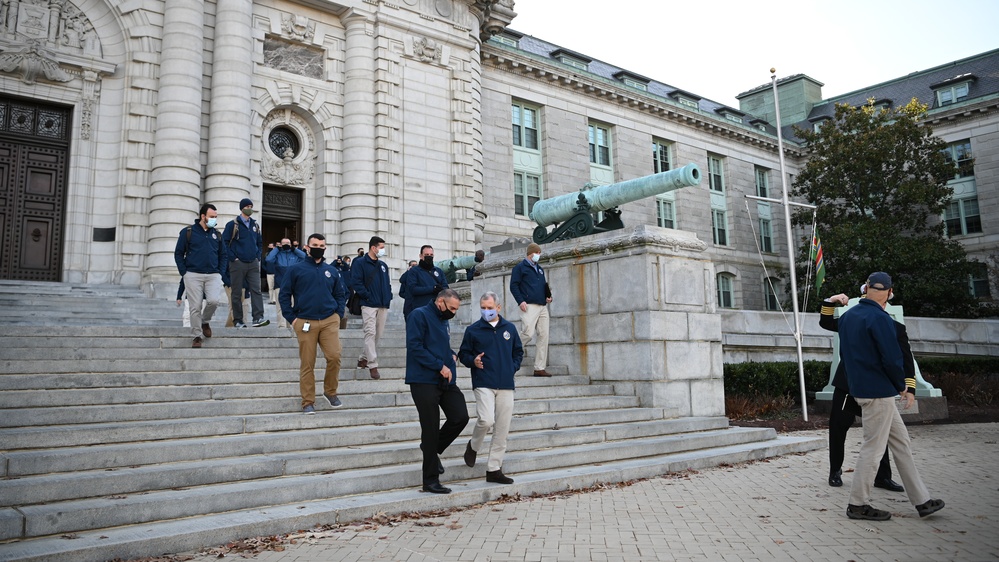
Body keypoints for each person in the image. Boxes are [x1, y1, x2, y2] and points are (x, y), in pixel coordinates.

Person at [839, 272, 945, 521]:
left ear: (865, 289)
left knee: (901, 443)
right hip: (878, 393)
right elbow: (892, 357)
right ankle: (857, 504)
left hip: (864, 389)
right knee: (873, 449)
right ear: (889, 291)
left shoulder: (848, 316)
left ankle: (922, 500)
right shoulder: (880, 318)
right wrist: (903, 386)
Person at [820, 292, 906, 492]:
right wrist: (831, 301)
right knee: (838, 428)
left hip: (874, 388)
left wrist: (903, 385)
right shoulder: (852, 320)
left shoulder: (892, 326)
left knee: (879, 431)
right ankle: (835, 471)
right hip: (848, 385)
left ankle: (883, 477)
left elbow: (901, 359)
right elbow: (826, 323)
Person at [406, 288, 469, 494]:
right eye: (452, 308)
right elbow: (415, 346)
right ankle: (430, 481)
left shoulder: (443, 318)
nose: (454, 313)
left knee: (460, 416)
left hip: (445, 381)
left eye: (456, 309)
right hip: (423, 381)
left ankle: (430, 449)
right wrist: (438, 365)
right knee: (430, 429)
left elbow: (438, 345)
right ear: (440, 301)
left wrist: (450, 354)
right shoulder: (419, 315)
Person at [459, 291, 523, 485]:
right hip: (483, 381)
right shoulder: (473, 330)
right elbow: (463, 354)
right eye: (483, 308)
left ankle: (494, 469)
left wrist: (512, 367)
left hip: (505, 383)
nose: (486, 311)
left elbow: (518, 352)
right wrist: (473, 361)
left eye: (489, 308)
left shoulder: (509, 329)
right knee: (486, 420)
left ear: (498, 307)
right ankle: (473, 446)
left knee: (502, 427)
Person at [279, 233, 348, 414]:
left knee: (334, 356)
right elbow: (284, 295)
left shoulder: (332, 271)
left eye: (322, 245)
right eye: (315, 244)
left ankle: (330, 392)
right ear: (307, 247)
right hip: (305, 321)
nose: (319, 247)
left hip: (328, 321)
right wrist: (292, 319)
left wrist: (338, 315)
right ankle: (308, 401)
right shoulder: (295, 270)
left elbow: (340, 294)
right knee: (307, 363)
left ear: (325, 247)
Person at [174, 203, 225, 348]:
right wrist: (184, 272)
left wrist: (220, 272)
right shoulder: (188, 232)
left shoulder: (217, 234)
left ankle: (205, 321)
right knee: (195, 306)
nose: (214, 219)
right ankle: (197, 336)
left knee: (214, 301)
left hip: (213, 275)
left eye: (216, 217)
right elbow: (178, 253)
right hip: (193, 274)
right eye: (212, 217)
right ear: (203, 216)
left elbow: (223, 255)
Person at [350, 236, 392, 380]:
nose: (383, 250)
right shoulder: (360, 263)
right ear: (373, 248)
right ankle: (372, 365)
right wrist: (366, 296)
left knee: (377, 335)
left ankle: (363, 357)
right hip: (368, 304)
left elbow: (387, 284)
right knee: (370, 332)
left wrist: (388, 296)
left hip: (382, 304)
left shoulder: (383, 266)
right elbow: (355, 282)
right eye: (381, 247)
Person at [222, 198, 269, 327]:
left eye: (251, 206)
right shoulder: (233, 224)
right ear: (242, 208)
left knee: (256, 290)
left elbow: (259, 242)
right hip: (238, 263)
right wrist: (233, 257)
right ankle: (237, 320)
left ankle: (258, 317)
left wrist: (258, 256)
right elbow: (224, 242)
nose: (250, 208)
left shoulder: (255, 225)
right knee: (236, 292)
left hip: (252, 262)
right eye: (248, 206)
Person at [509, 242, 552, 377]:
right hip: (529, 305)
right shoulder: (520, 268)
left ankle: (539, 367)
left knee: (544, 336)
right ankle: (510, 352)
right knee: (527, 333)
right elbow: (513, 286)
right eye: (537, 253)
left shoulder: (540, 269)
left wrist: (547, 296)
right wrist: (520, 301)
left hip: (542, 305)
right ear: (530, 253)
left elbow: (543, 285)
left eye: (539, 253)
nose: (539, 255)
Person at [265, 238, 307, 328]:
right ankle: (282, 326)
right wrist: (276, 249)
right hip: (280, 283)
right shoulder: (278, 254)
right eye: (284, 243)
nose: (286, 245)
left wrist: (294, 249)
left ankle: (291, 325)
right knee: (280, 306)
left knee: (292, 305)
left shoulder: (295, 255)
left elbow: (305, 257)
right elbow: (268, 259)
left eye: (287, 243)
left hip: (294, 285)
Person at [403, 245, 449, 321]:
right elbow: (412, 289)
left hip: (436, 310)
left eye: (431, 255)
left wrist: (441, 289)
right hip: (420, 310)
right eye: (426, 255)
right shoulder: (414, 271)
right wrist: (432, 288)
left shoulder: (438, 271)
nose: (429, 257)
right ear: (421, 256)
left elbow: (446, 287)